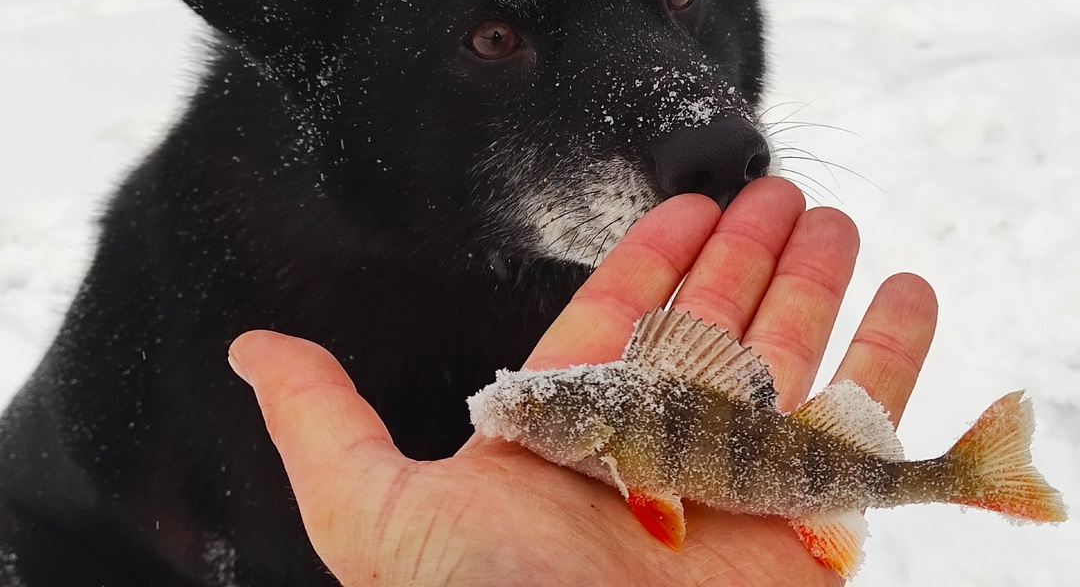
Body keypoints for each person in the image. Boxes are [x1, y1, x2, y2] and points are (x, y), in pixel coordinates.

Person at [227, 178, 937, 585]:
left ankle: (953, 476)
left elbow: (658, 506)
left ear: (585, 426)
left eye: (535, 401)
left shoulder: (612, 434)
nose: (515, 404)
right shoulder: (595, 436)